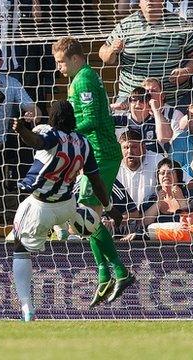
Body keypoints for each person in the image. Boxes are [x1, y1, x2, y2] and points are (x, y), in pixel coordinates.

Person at [11, 100, 114, 321]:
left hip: (41, 206)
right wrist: (107, 205)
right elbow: (95, 179)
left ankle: (27, 307)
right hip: (67, 205)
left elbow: (37, 141)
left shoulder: (54, 136)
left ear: (53, 118)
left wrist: (22, 130)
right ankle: (110, 263)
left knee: (20, 249)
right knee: (90, 225)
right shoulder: (83, 142)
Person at [52, 36, 133, 307]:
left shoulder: (84, 79)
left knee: (85, 218)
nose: (59, 67)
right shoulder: (84, 76)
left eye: (61, 62)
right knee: (88, 221)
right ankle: (105, 275)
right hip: (95, 155)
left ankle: (118, 272)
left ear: (75, 58)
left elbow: (93, 119)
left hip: (101, 156)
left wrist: (64, 133)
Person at [99, 0, 193, 106]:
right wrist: (112, 49)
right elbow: (103, 54)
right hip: (131, 101)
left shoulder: (179, 24)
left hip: (173, 101)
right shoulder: (125, 26)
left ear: (162, 1)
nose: (149, 1)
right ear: (139, 3)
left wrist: (187, 71)